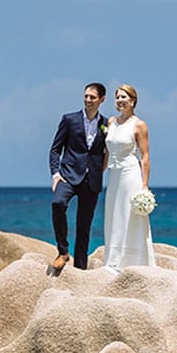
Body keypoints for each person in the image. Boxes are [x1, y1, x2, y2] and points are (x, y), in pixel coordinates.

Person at [48, 83, 108, 271]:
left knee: (84, 226)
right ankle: (63, 252)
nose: (88, 100)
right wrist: (55, 174)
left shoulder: (107, 124)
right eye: (86, 96)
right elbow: (55, 149)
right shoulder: (69, 119)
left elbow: (106, 151)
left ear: (102, 100)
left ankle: (81, 267)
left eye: (92, 97)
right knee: (58, 204)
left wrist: (100, 171)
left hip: (92, 181)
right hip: (67, 176)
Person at [101, 84, 153, 269]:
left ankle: (132, 261)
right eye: (118, 97)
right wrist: (100, 172)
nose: (120, 100)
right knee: (112, 214)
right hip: (113, 174)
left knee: (127, 214)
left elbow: (145, 156)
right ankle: (112, 259)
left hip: (130, 173)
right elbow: (107, 152)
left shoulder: (139, 125)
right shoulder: (111, 122)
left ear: (133, 101)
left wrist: (145, 185)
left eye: (124, 97)